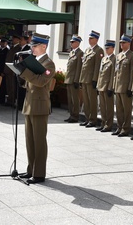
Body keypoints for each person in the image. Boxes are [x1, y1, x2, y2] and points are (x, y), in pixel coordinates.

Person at [14, 33, 56, 184]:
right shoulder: (34, 62)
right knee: (30, 141)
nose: (32, 48)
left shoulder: (49, 64)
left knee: (39, 141)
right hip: (29, 104)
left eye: (35, 46)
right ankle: (31, 169)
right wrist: (20, 74)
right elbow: (29, 83)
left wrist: (25, 72)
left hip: (40, 106)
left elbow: (40, 81)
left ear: (43, 46)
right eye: (32, 45)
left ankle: (39, 174)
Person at [113, 34, 133, 137]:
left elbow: (132, 73)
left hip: (126, 87)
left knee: (126, 110)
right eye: (121, 43)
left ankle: (125, 129)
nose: (121, 44)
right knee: (119, 109)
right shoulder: (119, 55)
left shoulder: (132, 56)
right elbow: (116, 72)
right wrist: (114, 85)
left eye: (123, 42)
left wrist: (130, 87)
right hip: (118, 86)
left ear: (129, 43)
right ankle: (119, 127)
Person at [80, 30, 103, 128]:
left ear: (96, 40)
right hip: (84, 78)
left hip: (91, 79)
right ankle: (87, 118)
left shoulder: (99, 50)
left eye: (91, 38)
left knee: (92, 100)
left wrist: (95, 79)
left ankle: (93, 119)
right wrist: (81, 79)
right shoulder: (87, 50)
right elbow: (83, 65)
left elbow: (98, 66)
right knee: (86, 100)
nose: (89, 40)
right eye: (89, 38)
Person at [96, 40, 116, 132]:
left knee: (109, 107)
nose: (106, 50)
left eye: (108, 48)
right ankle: (103, 123)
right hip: (101, 85)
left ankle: (108, 124)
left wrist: (110, 87)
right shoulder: (104, 59)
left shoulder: (114, 59)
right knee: (102, 106)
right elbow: (100, 73)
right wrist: (98, 85)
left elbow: (113, 74)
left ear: (113, 48)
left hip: (107, 86)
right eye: (106, 48)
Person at [64, 34, 83, 123]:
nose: (71, 43)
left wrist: (76, 80)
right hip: (69, 79)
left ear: (78, 43)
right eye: (71, 42)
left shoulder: (80, 53)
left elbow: (79, 67)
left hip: (74, 80)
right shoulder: (71, 52)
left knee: (75, 99)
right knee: (69, 99)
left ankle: (75, 116)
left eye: (73, 42)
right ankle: (71, 115)